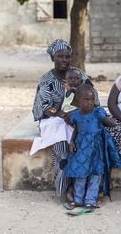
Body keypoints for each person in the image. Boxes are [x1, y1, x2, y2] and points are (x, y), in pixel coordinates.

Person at [31, 39, 99, 202]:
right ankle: (66, 186)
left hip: (78, 117)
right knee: (62, 144)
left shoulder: (79, 75)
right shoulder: (46, 80)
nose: (64, 60)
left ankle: (85, 188)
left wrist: (77, 110)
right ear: (52, 58)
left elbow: (93, 98)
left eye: (67, 57)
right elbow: (43, 107)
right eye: (60, 56)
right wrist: (60, 113)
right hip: (53, 120)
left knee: (85, 140)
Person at [64, 84, 121, 210]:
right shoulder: (75, 115)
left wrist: (103, 118)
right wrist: (72, 142)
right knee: (80, 174)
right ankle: (78, 199)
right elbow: (76, 130)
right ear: (78, 101)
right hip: (82, 150)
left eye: (92, 99)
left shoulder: (98, 113)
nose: (90, 102)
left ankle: (90, 200)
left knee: (95, 174)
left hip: (96, 150)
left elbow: (112, 124)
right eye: (86, 100)